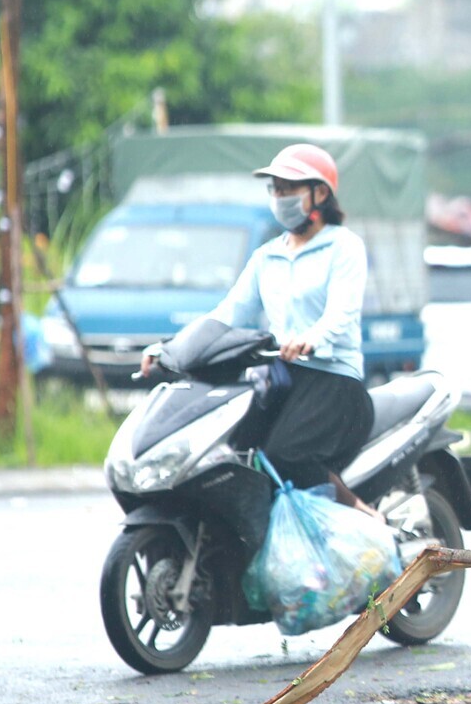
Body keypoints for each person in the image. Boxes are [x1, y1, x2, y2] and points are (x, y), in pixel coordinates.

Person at [141, 142, 376, 512]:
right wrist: (169, 348)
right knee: (231, 455)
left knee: (284, 455)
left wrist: (312, 338)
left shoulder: (344, 247)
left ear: (320, 193)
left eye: (289, 189)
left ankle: (362, 514)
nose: (280, 196)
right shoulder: (268, 256)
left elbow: (342, 312)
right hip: (282, 377)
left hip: (334, 382)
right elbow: (227, 313)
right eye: (275, 189)